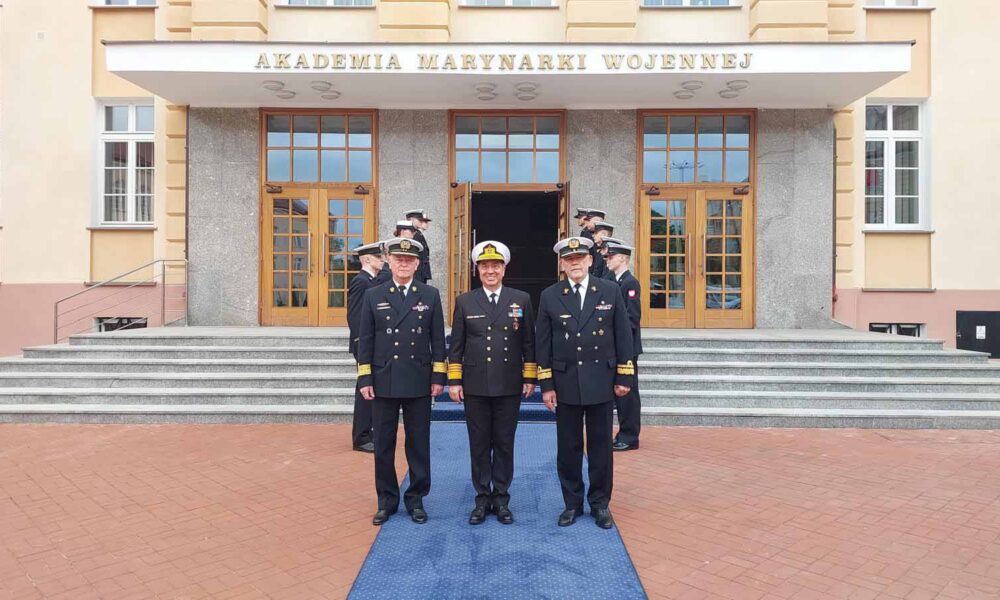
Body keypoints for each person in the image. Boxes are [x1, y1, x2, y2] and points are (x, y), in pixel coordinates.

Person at [535, 236, 634, 530]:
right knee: (569, 447)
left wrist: (624, 375)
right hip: (565, 382)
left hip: (601, 380)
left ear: (590, 260)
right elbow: (543, 343)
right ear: (562, 264)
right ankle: (572, 503)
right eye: (569, 259)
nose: (575, 263)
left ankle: (600, 503)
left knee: (601, 446)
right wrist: (547, 384)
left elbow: (623, 335)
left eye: (579, 258)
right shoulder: (550, 295)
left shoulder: (609, 290)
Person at [356, 237, 447, 526]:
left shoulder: (429, 295)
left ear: (417, 263)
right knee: (383, 444)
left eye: (409, 260)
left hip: (418, 379)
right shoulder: (374, 295)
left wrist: (438, 376)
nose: (404, 264)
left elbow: (437, 340)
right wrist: (365, 377)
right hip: (384, 379)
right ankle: (386, 501)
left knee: (418, 443)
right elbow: (366, 340)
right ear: (390, 262)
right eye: (398, 259)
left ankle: (416, 499)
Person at [448, 240, 536, 526]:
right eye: (485, 266)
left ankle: (501, 498)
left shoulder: (521, 299)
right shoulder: (465, 301)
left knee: (504, 443)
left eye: (495, 266)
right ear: (477, 270)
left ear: (504, 269)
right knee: (478, 443)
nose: (490, 271)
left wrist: (530, 376)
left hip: (509, 383)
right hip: (475, 384)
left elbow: (529, 342)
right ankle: (482, 498)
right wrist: (454, 381)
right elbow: (456, 345)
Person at [604, 243, 643, 451]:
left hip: (627, 348)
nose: (607, 260)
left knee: (628, 394)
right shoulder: (613, 281)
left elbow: (632, 318)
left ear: (622, 258)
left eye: (611, 257)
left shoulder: (630, 283)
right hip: (615, 346)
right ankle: (623, 433)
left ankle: (629, 436)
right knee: (618, 394)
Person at [347, 240, 385, 453]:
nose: (382, 260)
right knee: (364, 390)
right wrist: (361, 344)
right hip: (364, 345)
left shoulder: (372, 280)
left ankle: (368, 432)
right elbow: (355, 316)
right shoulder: (361, 281)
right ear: (368, 259)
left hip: (373, 345)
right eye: (379, 257)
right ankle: (361, 437)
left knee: (371, 390)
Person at [405, 209, 433, 284]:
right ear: (411, 220)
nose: (422, 223)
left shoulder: (418, 235)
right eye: (420, 220)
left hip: (420, 271)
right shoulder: (414, 235)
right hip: (416, 271)